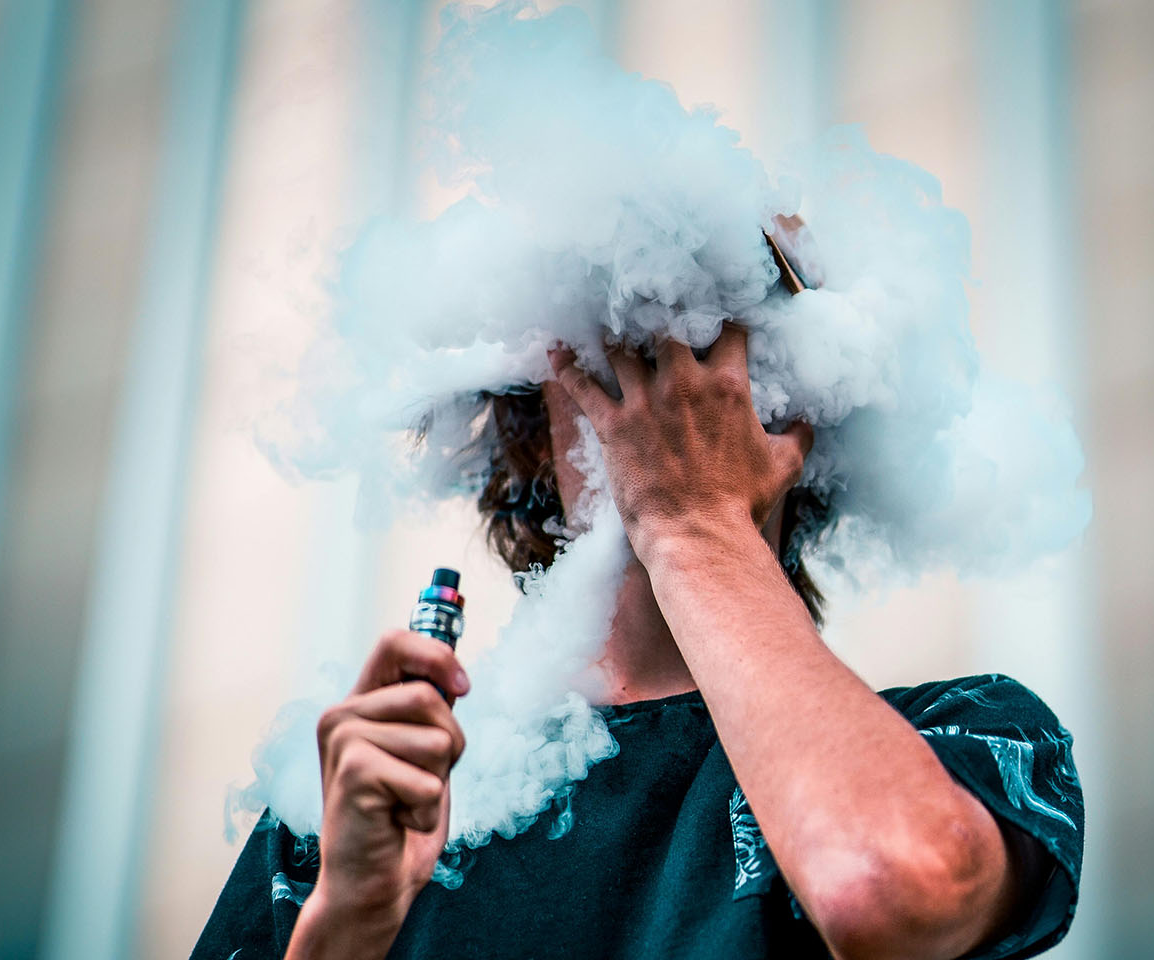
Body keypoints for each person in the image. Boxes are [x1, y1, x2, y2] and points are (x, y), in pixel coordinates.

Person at [191, 327, 1084, 959]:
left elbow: (885, 891)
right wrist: (347, 920)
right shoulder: (357, 803)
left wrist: (693, 523)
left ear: (799, 427)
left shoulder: (962, 738)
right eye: (616, 349)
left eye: (724, 348)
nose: (671, 388)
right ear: (531, 428)